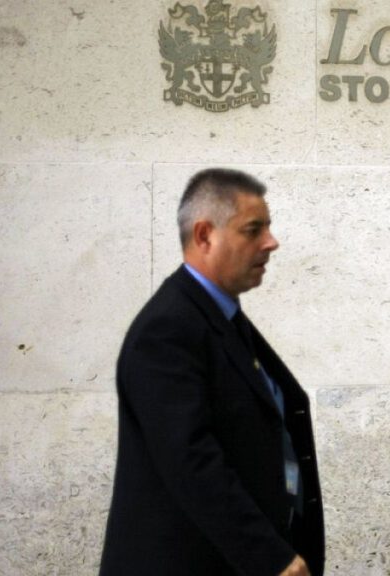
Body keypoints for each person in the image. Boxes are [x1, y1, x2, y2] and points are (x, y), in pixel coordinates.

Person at [100, 169, 324, 576]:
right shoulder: (166, 329)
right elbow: (191, 462)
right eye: (253, 230)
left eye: (268, 227)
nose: (271, 242)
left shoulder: (219, 317)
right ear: (204, 235)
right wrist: (271, 558)